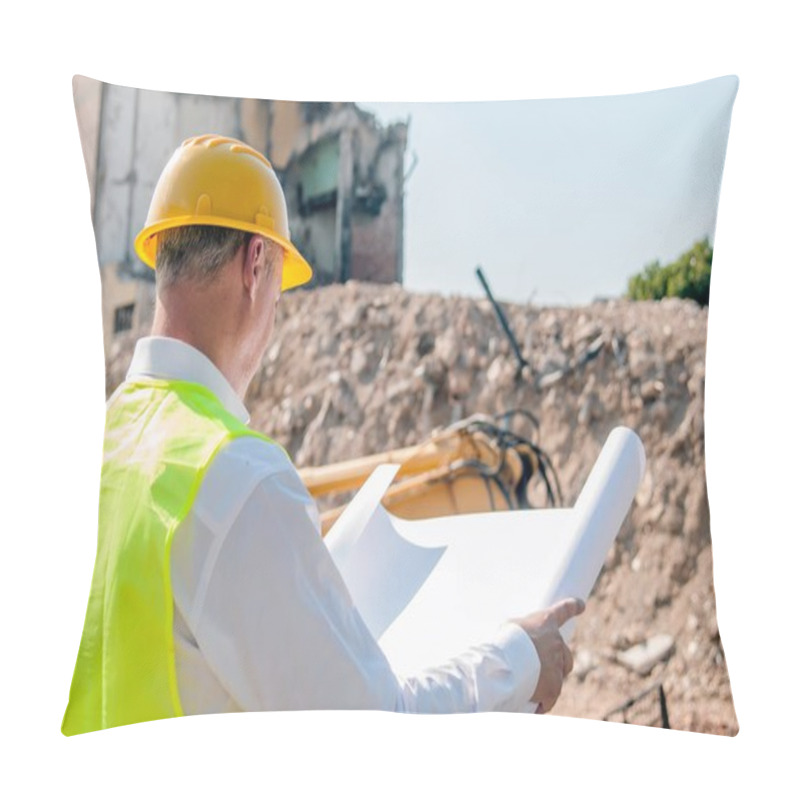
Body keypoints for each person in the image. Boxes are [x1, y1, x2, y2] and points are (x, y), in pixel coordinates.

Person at [62, 134, 584, 735]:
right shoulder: (237, 480)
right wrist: (517, 659)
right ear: (255, 264)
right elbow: (370, 731)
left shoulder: (96, 443)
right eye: (281, 287)